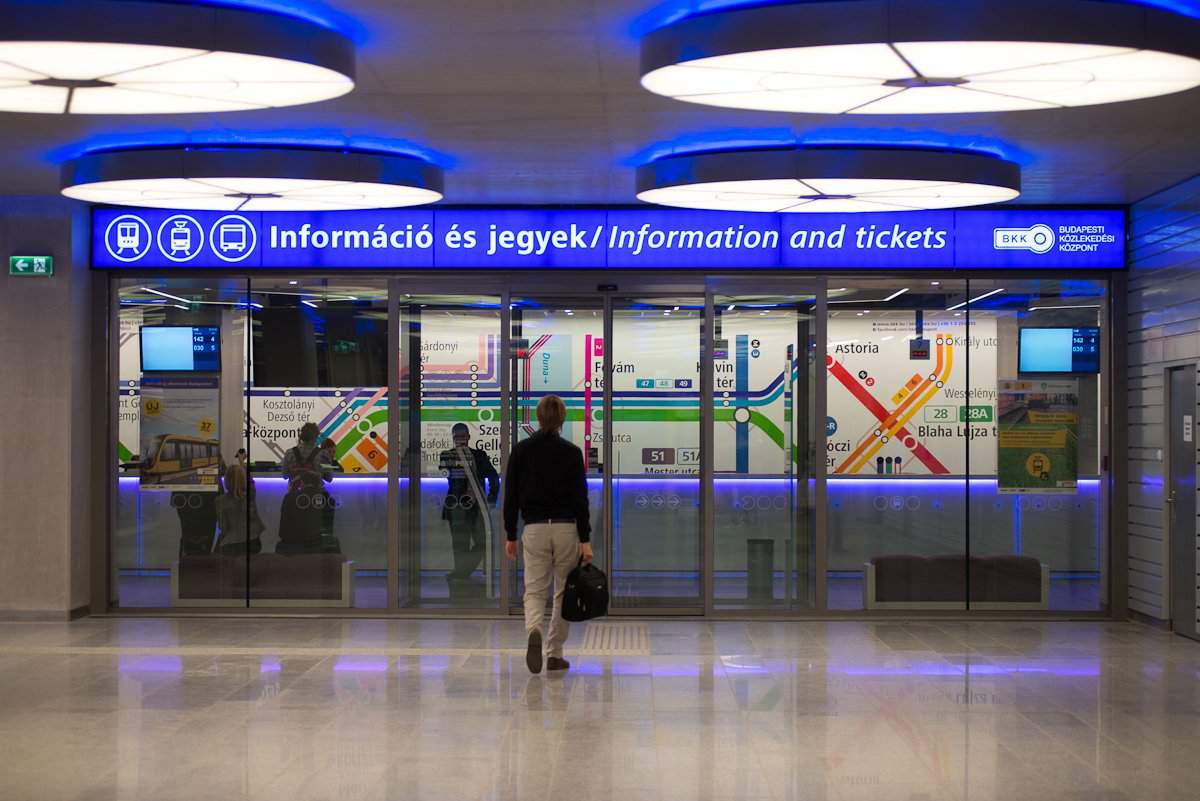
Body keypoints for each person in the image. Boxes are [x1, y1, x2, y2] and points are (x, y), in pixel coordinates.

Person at [504, 395, 593, 674]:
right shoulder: (572, 452)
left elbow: (511, 497)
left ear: (538, 418)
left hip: (534, 528)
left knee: (534, 588)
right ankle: (554, 653)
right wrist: (585, 539)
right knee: (563, 590)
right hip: (566, 528)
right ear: (562, 419)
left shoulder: (521, 451)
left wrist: (510, 534)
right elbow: (580, 499)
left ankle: (534, 629)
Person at [438, 423, 500, 586]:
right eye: (457, 437)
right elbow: (448, 473)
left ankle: (462, 571)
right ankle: (461, 572)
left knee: (483, 542)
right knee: (459, 544)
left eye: (463, 436)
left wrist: (491, 500)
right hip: (456, 505)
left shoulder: (479, 456)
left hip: (476, 507)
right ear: (453, 438)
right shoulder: (447, 455)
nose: (460, 440)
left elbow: (493, 477)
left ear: (468, 437)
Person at [277, 422, 338, 554]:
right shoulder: (323, 454)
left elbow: (284, 475)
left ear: (301, 435)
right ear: (316, 436)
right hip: (316, 500)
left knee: (295, 532)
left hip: (294, 499)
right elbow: (329, 478)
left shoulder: (289, 453)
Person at [216, 448, 265, 555]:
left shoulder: (220, 501)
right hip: (252, 542)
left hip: (231, 544)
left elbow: (223, 527)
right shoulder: (250, 495)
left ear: (226, 480)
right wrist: (241, 461)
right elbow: (250, 480)